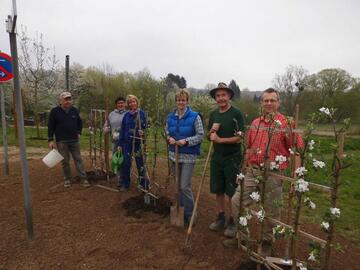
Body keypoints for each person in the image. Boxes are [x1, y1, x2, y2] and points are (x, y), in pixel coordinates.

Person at [223, 88, 303, 256]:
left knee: (271, 210)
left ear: (278, 103)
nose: (268, 103)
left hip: (274, 173)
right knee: (237, 201)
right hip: (252, 171)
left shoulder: (286, 124)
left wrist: (296, 178)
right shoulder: (255, 123)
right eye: (265, 100)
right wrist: (243, 172)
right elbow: (249, 149)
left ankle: (267, 242)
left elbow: (296, 151)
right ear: (261, 103)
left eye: (272, 100)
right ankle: (242, 237)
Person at [208, 82, 245, 237]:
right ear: (215, 98)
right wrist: (211, 134)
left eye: (223, 95)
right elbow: (210, 136)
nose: (221, 98)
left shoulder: (236, 114)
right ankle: (221, 217)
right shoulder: (214, 115)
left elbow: (240, 138)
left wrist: (220, 140)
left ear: (229, 96)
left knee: (231, 191)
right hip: (217, 157)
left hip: (232, 157)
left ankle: (232, 221)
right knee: (218, 189)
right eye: (218, 96)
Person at [166, 89, 204, 224]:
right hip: (174, 155)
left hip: (188, 156)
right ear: (176, 101)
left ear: (187, 101)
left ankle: (191, 214)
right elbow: (166, 131)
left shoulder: (195, 116)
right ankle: (180, 210)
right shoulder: (171, 116)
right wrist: (169, 138)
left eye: (183, 100)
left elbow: (200, 135)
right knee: (177, 185)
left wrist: (186, 141)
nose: (181, 102)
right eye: (178, 100)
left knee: (184, 186)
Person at [48, 91, 90, 188]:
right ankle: (67, 179)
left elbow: (80, 122)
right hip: (61, 141)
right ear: (61, 100)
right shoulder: (55, 111)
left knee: (78, 159)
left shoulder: (74, 110)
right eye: (66, 99)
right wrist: (50, 140)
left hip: (74, 140)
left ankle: (84, 179)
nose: (68, 101)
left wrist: (79, 132)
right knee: (65, 161)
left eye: (69, 99)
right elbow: (50, 126)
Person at [118, 95, 149, 191]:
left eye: (134, 101)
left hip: (138, 143)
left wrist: (143, 133)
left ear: (137, 102)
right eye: (130, 102)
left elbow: (147, 128)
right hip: (127, 143)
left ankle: (143, 184)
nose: (132, 103)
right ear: (128, 104)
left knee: (140, 164)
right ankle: (125, 183)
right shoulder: (126, 116)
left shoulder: (142, 114)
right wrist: (120, 144)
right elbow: (122, 130)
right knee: (126, 163)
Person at [104, 96, 127, 187]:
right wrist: (106, 128)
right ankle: (119, 179)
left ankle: (125, 177)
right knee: (117, 160)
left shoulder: (128, 114)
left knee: (125, 159)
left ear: (125, 104)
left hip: (125, 141)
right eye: (118, 103)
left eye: (122, 103)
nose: (120, 104)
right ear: (116, 105)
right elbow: (107, 124)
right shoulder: (111, 114)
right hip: (115, 141)